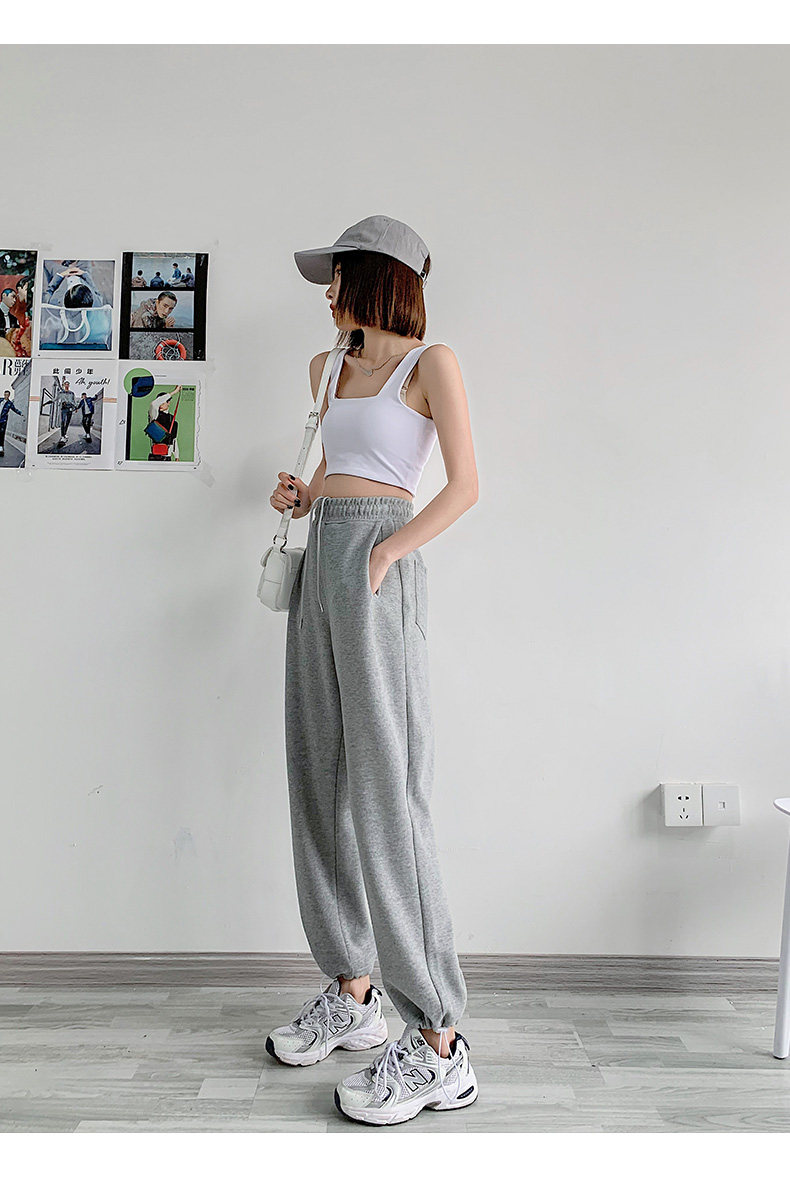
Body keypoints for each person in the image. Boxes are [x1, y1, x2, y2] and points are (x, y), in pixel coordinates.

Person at [266, 215, 479, 1127]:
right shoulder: (326, 368)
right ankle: (353, 988)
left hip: (379, 566)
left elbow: (464, 485)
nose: (327, 293)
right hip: (323, 559)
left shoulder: (431, 363)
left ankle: (438, 1038)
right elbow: (340, 468)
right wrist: (301, 495)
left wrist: (388, 552)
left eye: (339, 276)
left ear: (379, 279)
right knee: (317, 770)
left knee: (390, 787)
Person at [0, 389, 23, 457]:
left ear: (9, 395)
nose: (6, 396)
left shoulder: (10, 403)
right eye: (5, 395)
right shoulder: (0, 400)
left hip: (3, 421)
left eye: (7, 395)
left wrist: (20, 413)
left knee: (1, 434)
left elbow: (14, 409)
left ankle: (1, 447)